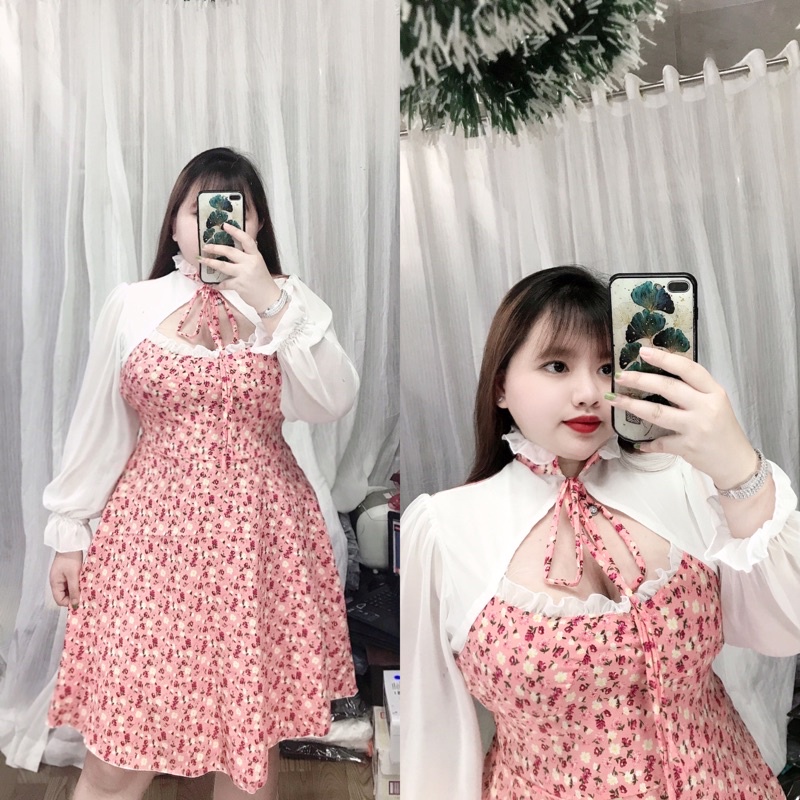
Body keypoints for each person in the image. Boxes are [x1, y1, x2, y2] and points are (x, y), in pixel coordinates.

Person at [401, 265, 800, 800]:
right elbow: (434, 734)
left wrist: (739, 469)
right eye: (557, 365)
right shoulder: (445, 529)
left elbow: (787, 627)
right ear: (500, 386)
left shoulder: (687, 481)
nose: (590, 393)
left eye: (609, 367)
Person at [44, 147, 359, 800]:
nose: (216, 223)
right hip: (149, 547)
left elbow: (331, 400)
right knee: (117, 750)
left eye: (236, 209)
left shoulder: (289, 305)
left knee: (247, 749)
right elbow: (99, 422)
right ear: (176, 222)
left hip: (259, 543)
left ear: (258, 224)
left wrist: (269, 298)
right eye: (199, 208)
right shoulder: (132, 305)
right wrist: (70, 529)